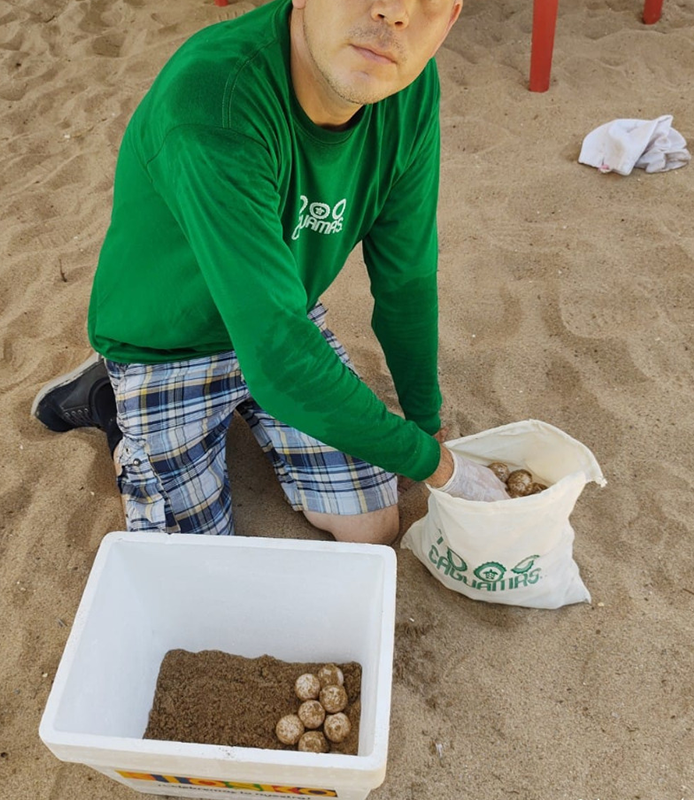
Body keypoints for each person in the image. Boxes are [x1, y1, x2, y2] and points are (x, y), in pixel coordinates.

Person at [32, 0, 508, 545]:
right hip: (168, 344)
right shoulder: (213, 100)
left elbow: (406, 279)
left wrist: (425, 422)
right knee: (197, 565)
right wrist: (442, 469)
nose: (394, 11)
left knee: (373, 530)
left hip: (281, 312)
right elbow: (280, 360)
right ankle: (110, 398)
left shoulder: (404, 82)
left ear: (449, 20)